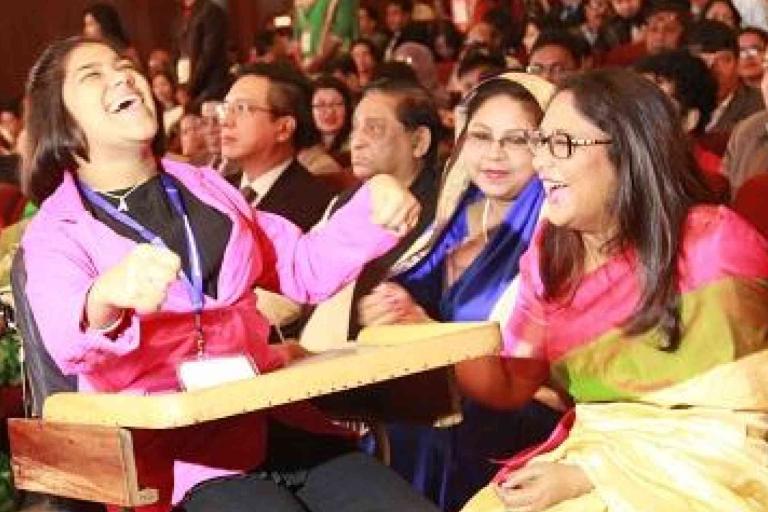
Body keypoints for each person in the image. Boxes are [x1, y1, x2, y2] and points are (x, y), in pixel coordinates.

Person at [20, 36, 435, 512]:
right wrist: (105, 297)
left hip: (269, 419)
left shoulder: (207, 187)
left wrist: (373, 205)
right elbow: (64, 336)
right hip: (174, 461)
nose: (121, 76)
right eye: (93, 76)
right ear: (60, 119)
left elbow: (301, 268)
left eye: (123, 65)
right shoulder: (57, 230)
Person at [457, 68, 768, 512]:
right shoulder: (551, 251)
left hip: (707, 469)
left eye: (561, 144)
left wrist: (591, 475)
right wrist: (426, 340)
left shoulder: (716, 246)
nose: (542, 162)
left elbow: (749, 422)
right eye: (541, 143)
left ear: (627, 151)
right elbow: (511, 381)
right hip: (593, 445)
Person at [357, 74, 564, 511]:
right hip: (448, 391)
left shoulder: (558, 226)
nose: (494, 154)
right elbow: (409, 291)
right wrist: (390, 306)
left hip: (527, 403)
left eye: (516, 139)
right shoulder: (460, 213)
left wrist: (427, 328)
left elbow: (533, 367)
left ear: (547, 145)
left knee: (425, 431)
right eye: (481, 136)